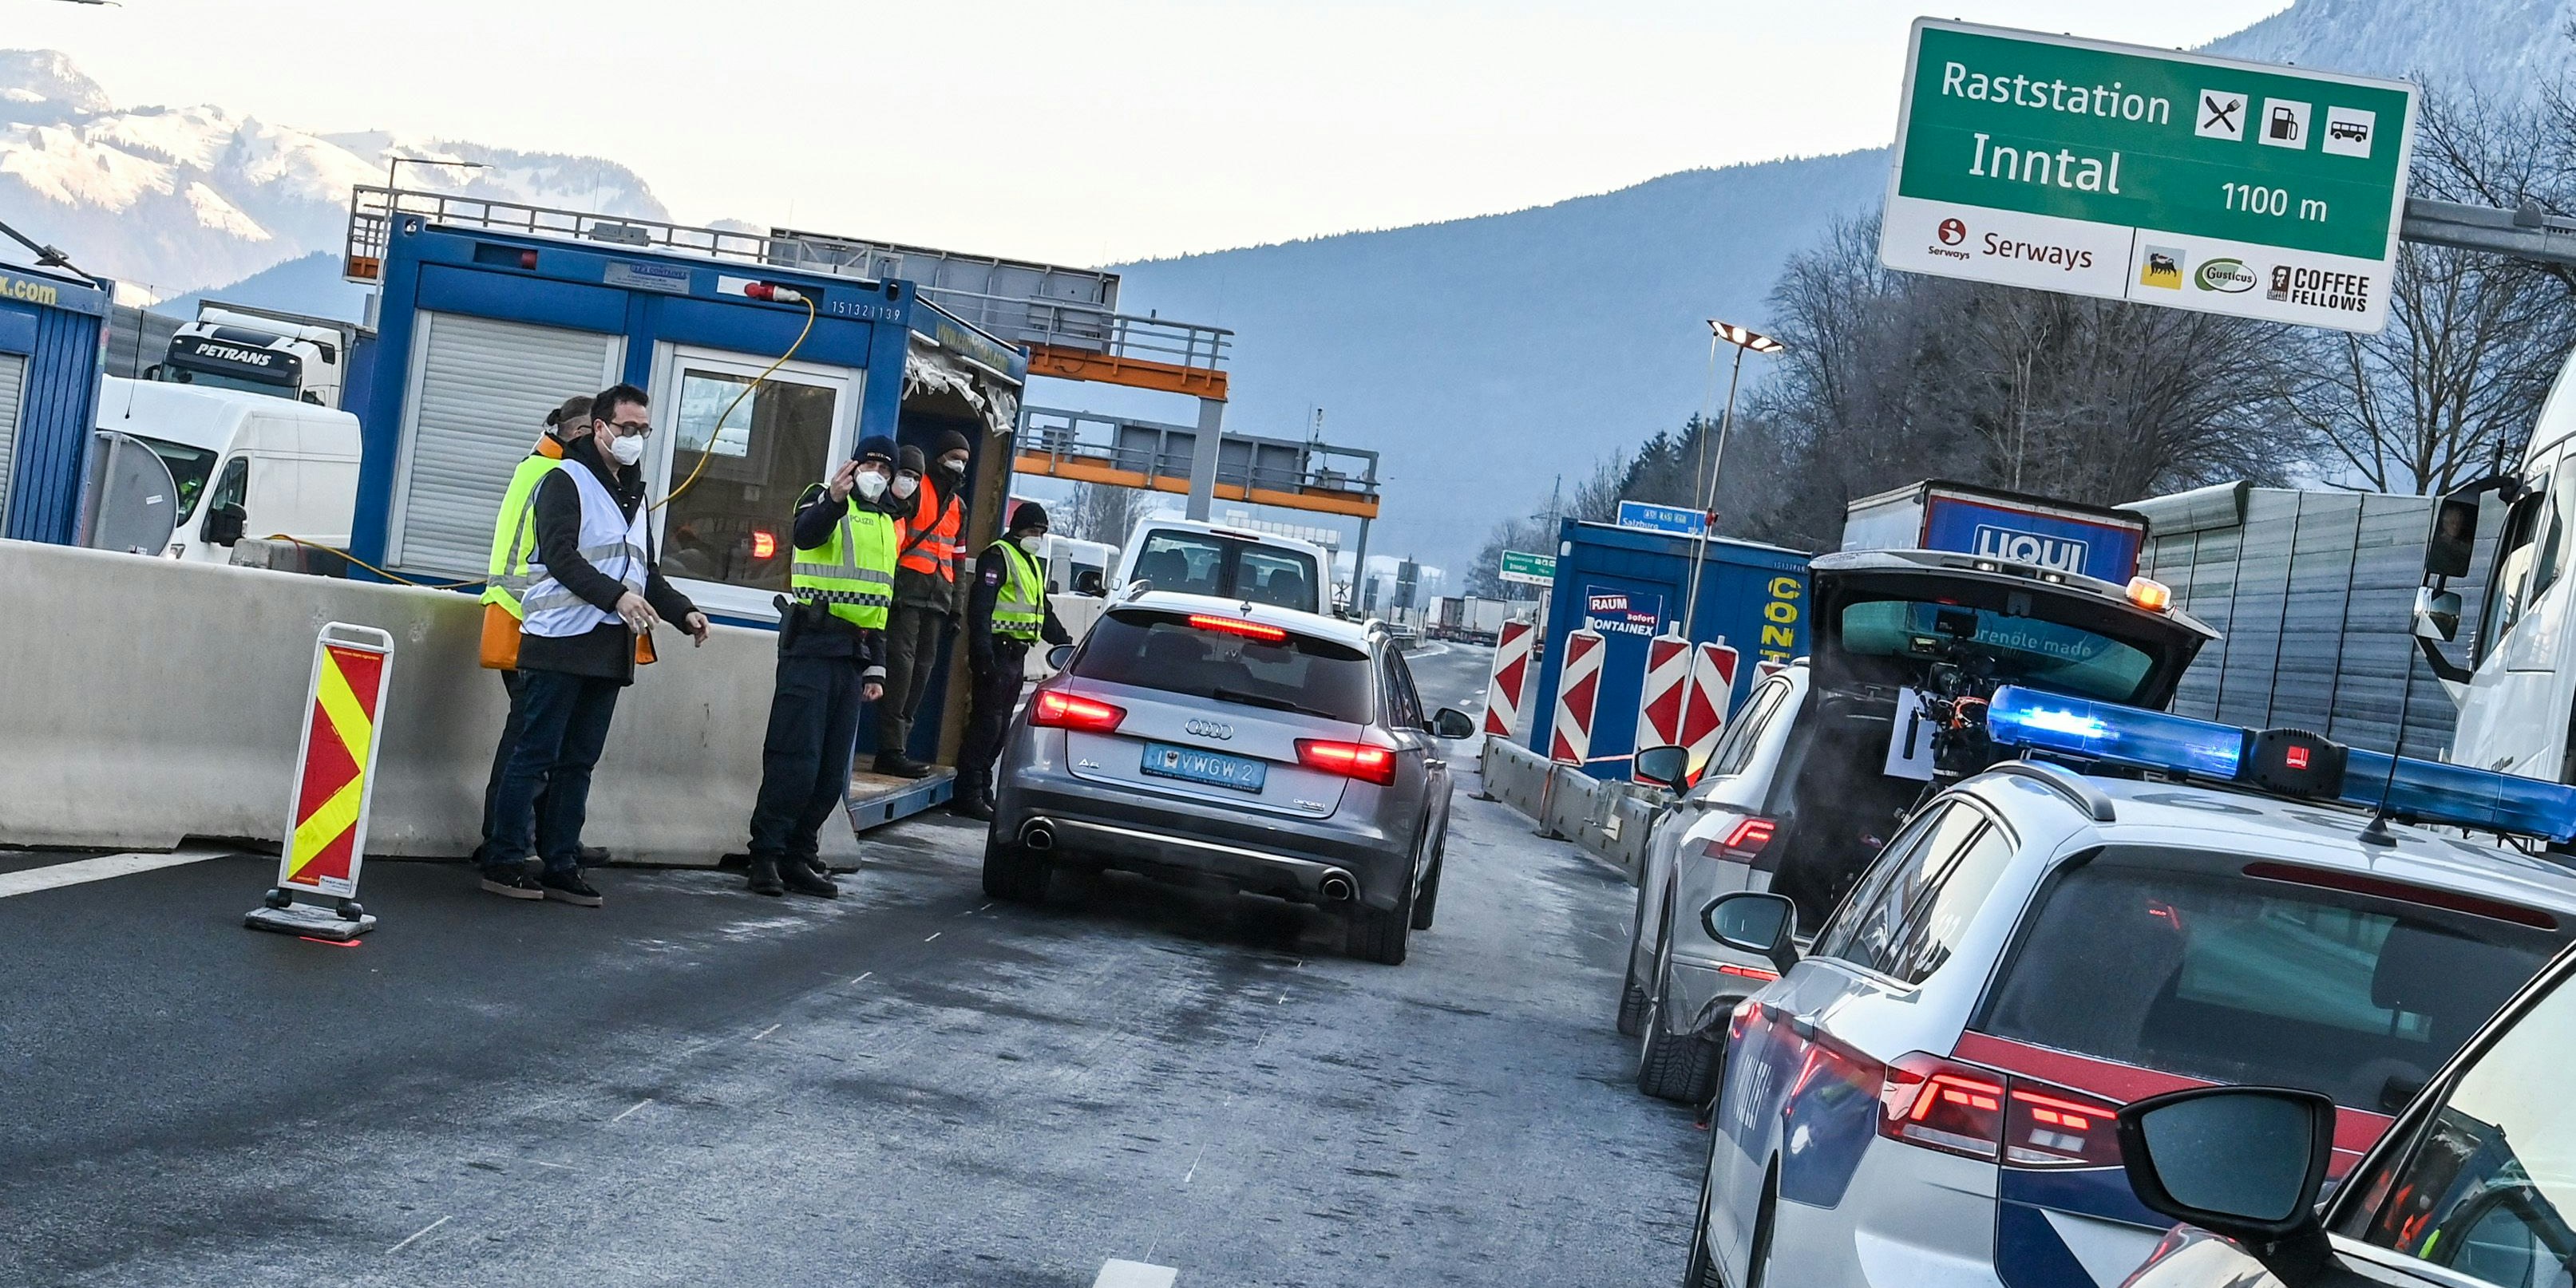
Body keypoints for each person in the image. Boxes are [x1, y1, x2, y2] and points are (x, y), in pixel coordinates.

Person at [478, 383, 710, 905]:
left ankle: (560, 862)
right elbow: (560, 556)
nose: (635, 438)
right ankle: (505, 859)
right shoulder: (565, 479)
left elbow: (641, 572)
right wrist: (615, 599)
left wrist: (683, 612)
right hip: (560, 640)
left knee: (578, 761)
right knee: (535, 754)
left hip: (608, 648)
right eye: (627, 429)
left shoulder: (634, 492)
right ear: (599, 428)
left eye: (643, 430)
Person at [742, 435, 901, 897]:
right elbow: (806, 535)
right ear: (852, 464)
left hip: (852, 656)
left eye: (885, 468)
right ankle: (766, 856)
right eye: (869, 464)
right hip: (811, 646)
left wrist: (877, 667)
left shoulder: (885, 521)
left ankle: (799, 854)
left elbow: (881, 601)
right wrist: (834, 498)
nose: (877, 474)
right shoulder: (822, 497)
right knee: (795, 760)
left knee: (831, 771)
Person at [476, 394, 588, 874]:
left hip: (526, 617)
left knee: (541, 737)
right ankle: (505, 842)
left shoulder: (542, 467)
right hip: (527, 620)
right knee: (529, 739)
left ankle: (537, 837)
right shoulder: (553, 476)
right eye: (584, 430)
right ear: (565, 430)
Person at [952, 500, 1070, 822]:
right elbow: (981, 608)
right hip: (997, 653)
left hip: (1016, 656)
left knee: (1001, 727)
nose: (1038, 536)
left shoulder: (1030, 562)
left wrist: (1068, 642)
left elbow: (1043, 611)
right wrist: (982, 654)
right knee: (986, 726)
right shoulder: (998, 556)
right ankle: (968, 792)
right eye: (1034, 530)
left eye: (1043, 532)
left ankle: (983, 788)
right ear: (1018, 529)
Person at [873, 431, 971, 778]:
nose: (959, 465)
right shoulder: (917, 489)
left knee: (920, 676)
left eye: (964, 459)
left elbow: (958, 561)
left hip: (938, 600)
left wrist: (956, 607)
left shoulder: (958, 506)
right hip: (907, 594)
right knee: (900, 672)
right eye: (955, 456)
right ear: (940, 456)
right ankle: (891, 750)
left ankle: (901, 745)